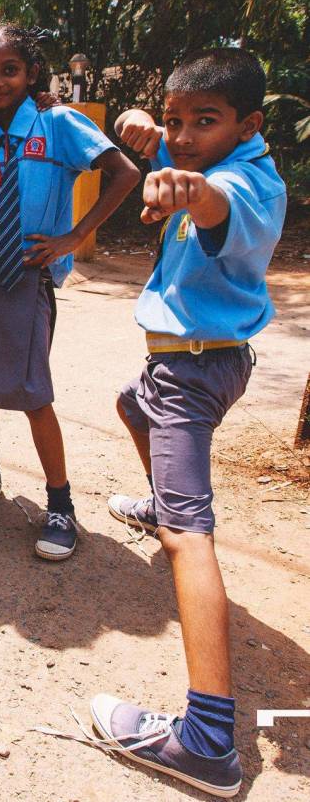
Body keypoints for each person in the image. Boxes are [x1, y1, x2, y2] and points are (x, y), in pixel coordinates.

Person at [85, 49, 285, 797]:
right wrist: (148, 130)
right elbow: (182, 160)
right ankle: (157, 502)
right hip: (188, 365)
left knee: (187, 535)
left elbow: (211, 198)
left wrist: (183, 181)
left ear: (249, 124)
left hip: (192, 373)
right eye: (176, 120)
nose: (185, 136)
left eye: (206, 121)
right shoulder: (213, 156)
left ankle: (206, 741)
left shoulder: (244, 184)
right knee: (128, 404)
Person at [0, 23, 138, 559]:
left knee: (32, 392)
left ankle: (60, 504)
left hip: (25, 274)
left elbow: (124, 172)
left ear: (31, 73)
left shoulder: (58, 123)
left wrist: (75, 235)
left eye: (9, 70)